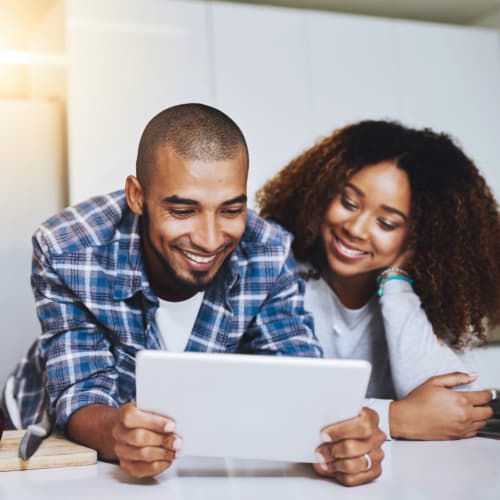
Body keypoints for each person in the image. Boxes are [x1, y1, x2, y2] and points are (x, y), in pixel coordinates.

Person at [2, 104, 385, 485]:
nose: (210, 239)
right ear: (137, 196)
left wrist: (345, 441)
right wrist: (120, 436)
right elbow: (81, 393)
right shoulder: (69, 248)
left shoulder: (267, 252)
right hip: (39, 432)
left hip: (185, 463)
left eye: (231, 210)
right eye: (183, 211)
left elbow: (302, 381)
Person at [257, 120, 499, 440]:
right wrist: (394, 418)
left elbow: (456, 409)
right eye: (349, 203)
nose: (356, 229)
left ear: (419, 238)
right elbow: (272, 402)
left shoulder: (430, 300)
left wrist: (396, 281)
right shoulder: (277, 277)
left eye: (385, 223)